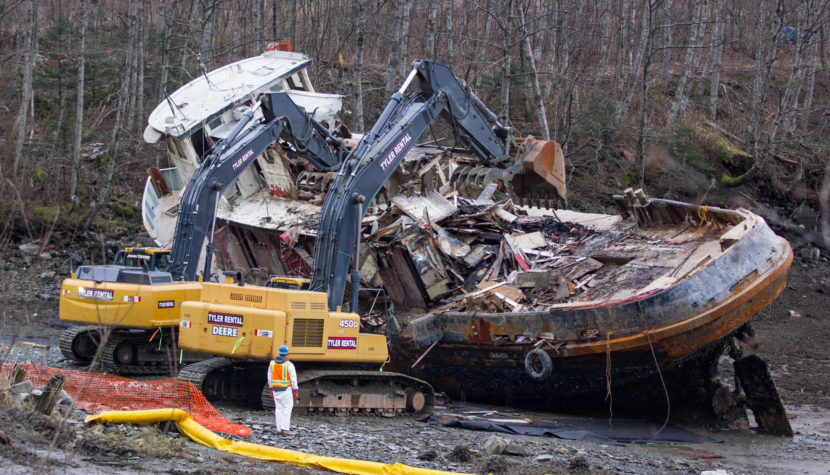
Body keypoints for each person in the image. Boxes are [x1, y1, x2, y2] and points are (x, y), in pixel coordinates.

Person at [267, 345, 298, 434]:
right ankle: (285, 428)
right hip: (286, 390)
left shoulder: (272, 364)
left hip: (276, 390)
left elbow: (269, 377)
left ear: (279, 353)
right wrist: (295, 390)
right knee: (287, 408)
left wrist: (270, 389)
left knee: (278, 408)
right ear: (287, 354)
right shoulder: (289, 365)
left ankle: (279, 428)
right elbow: (293, 379)